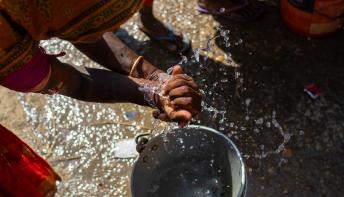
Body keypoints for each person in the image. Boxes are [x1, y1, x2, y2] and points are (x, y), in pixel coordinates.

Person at [0, 0, 202, 196]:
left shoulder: (53, 10)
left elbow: (84, 26)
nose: (118, 29)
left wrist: (156, 81)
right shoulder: (11, 58)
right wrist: (150, 91)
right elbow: (77, 82)